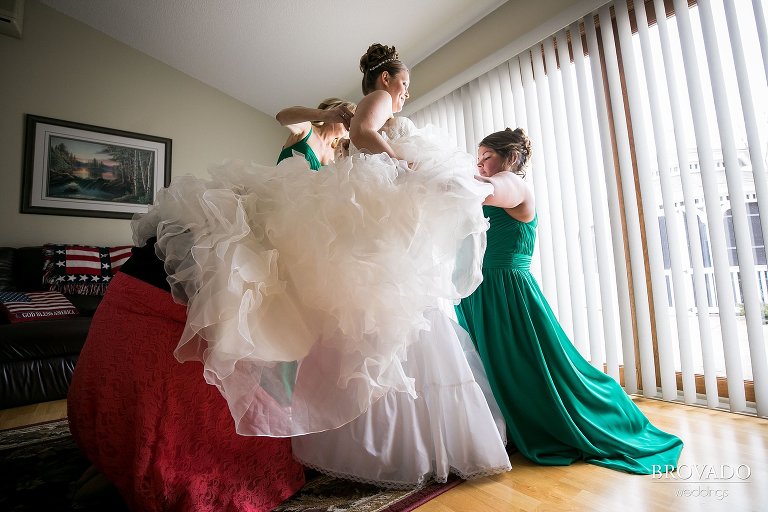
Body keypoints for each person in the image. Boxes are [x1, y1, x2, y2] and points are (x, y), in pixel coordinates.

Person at [130, 42, 511, 488]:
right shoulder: (374, 104)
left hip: (352, 213)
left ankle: (367, 435)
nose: (406, 93)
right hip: (335, 210)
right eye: (404, 83)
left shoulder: (349, 140)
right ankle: (411, 440)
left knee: (365, 318)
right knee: (379, 314)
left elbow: (359, 143)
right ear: (386, 78)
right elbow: (365, 136)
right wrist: (400, 159)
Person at [455, 127, 684, 474]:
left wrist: (439, 169)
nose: (481, 164)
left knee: (530, 365)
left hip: (506, 290)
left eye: (487, 157)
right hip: (478, 290)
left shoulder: (512, 183)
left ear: (511, 158)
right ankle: (510, 425)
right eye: (479, 159)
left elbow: (481, 190)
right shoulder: (491, 184)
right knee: (497, 366)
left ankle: (590, 415)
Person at [67, 241, 306, 511]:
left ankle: (119, 465)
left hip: (108, 386)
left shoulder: (176, 237)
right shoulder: (238, 248)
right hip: (162, 404)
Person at [275, 97, 356, 169]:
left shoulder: (337, 155)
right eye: (347, 117)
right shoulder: (307, 129)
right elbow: (281, 117)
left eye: (354, 121)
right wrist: (323, 114)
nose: (350, 123)